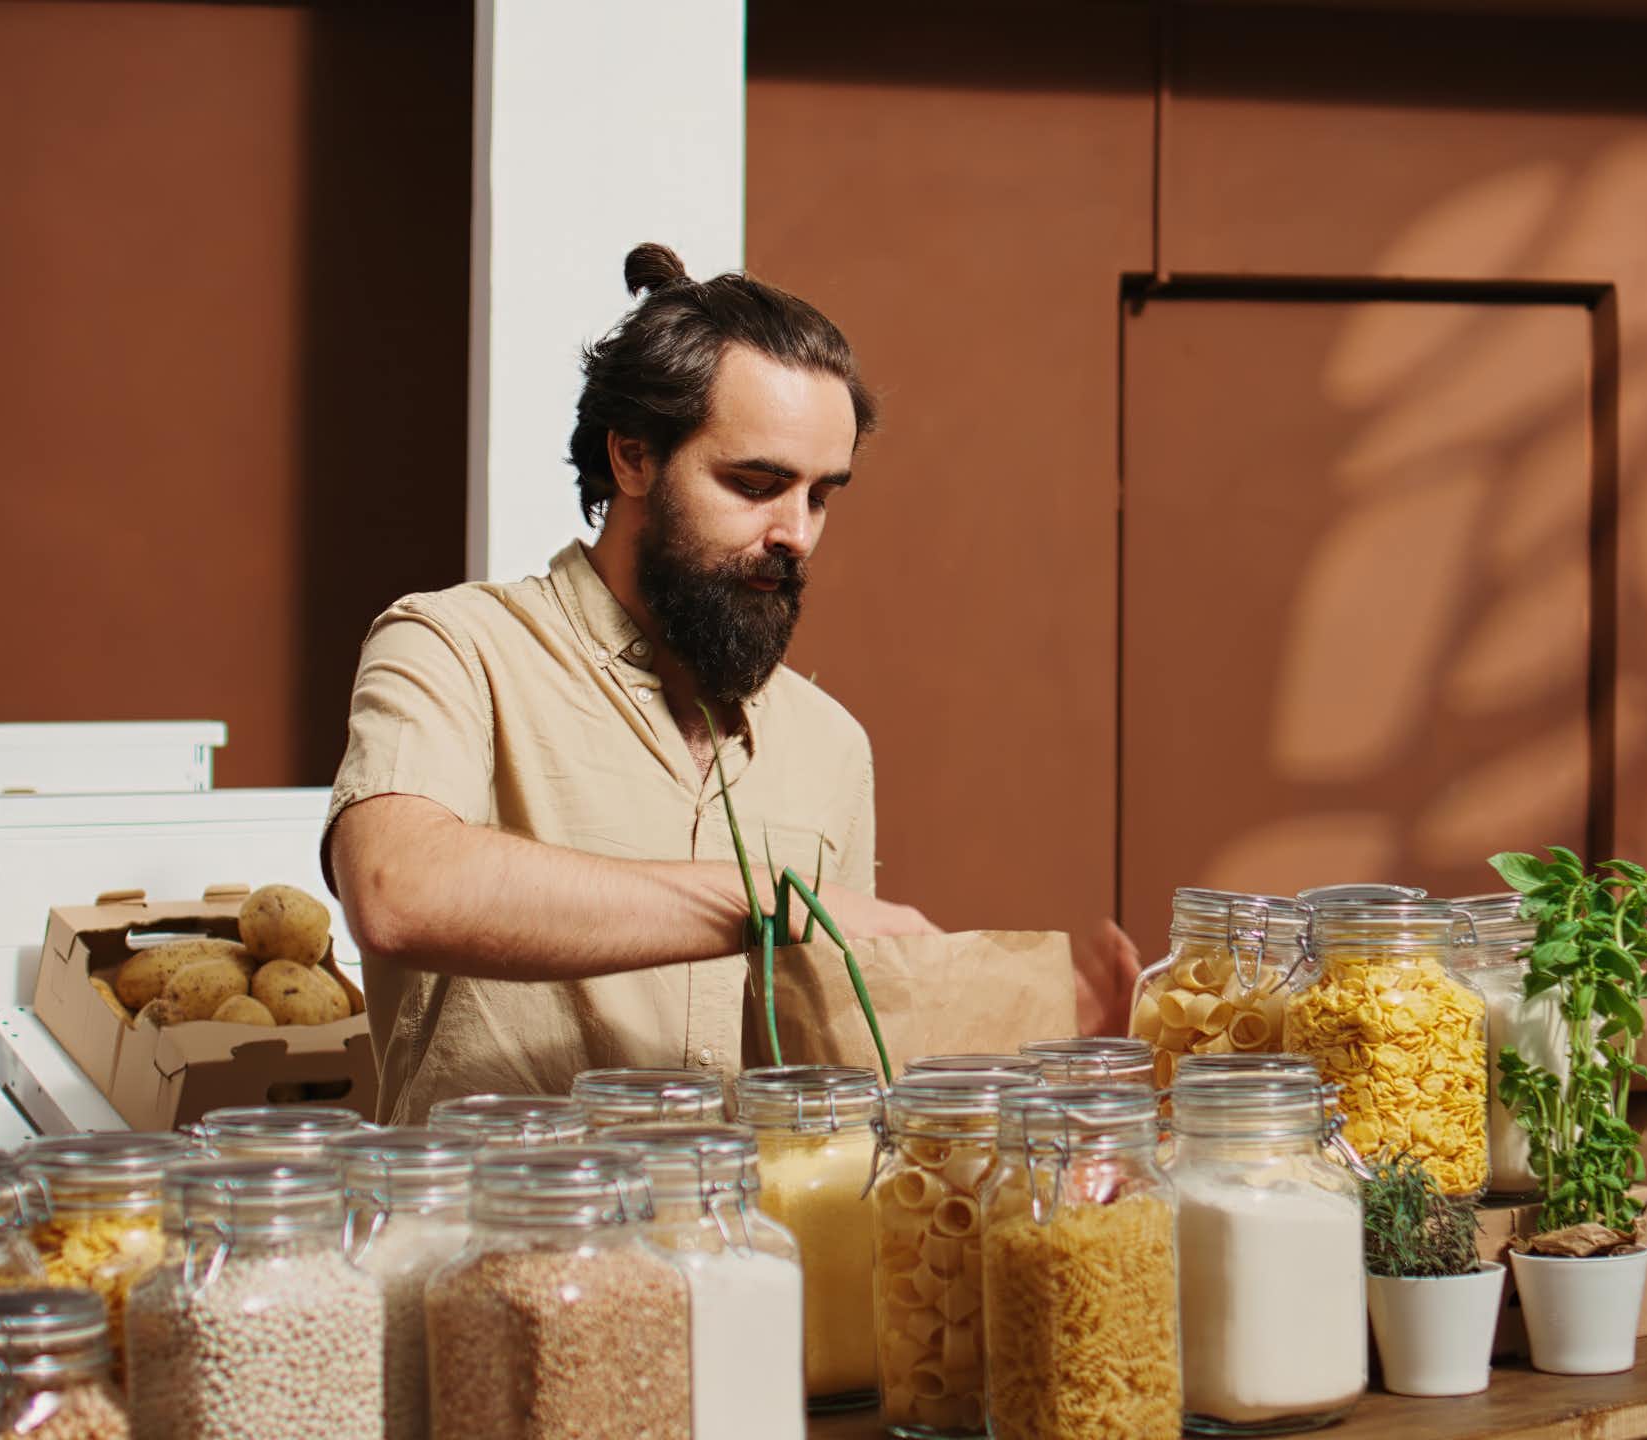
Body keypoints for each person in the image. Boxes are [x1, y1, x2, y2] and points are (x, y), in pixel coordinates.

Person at [326, 243, 1138, 1120]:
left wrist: (1032, 1049)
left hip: (747, 1248)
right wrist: (768, 904)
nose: (796, 532)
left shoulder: (830, 744)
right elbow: (395, 889)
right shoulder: (455, 646)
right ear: (633, 458)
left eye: (821, 496)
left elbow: (831, 1054)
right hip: (502, 1241)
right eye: (755, 485)